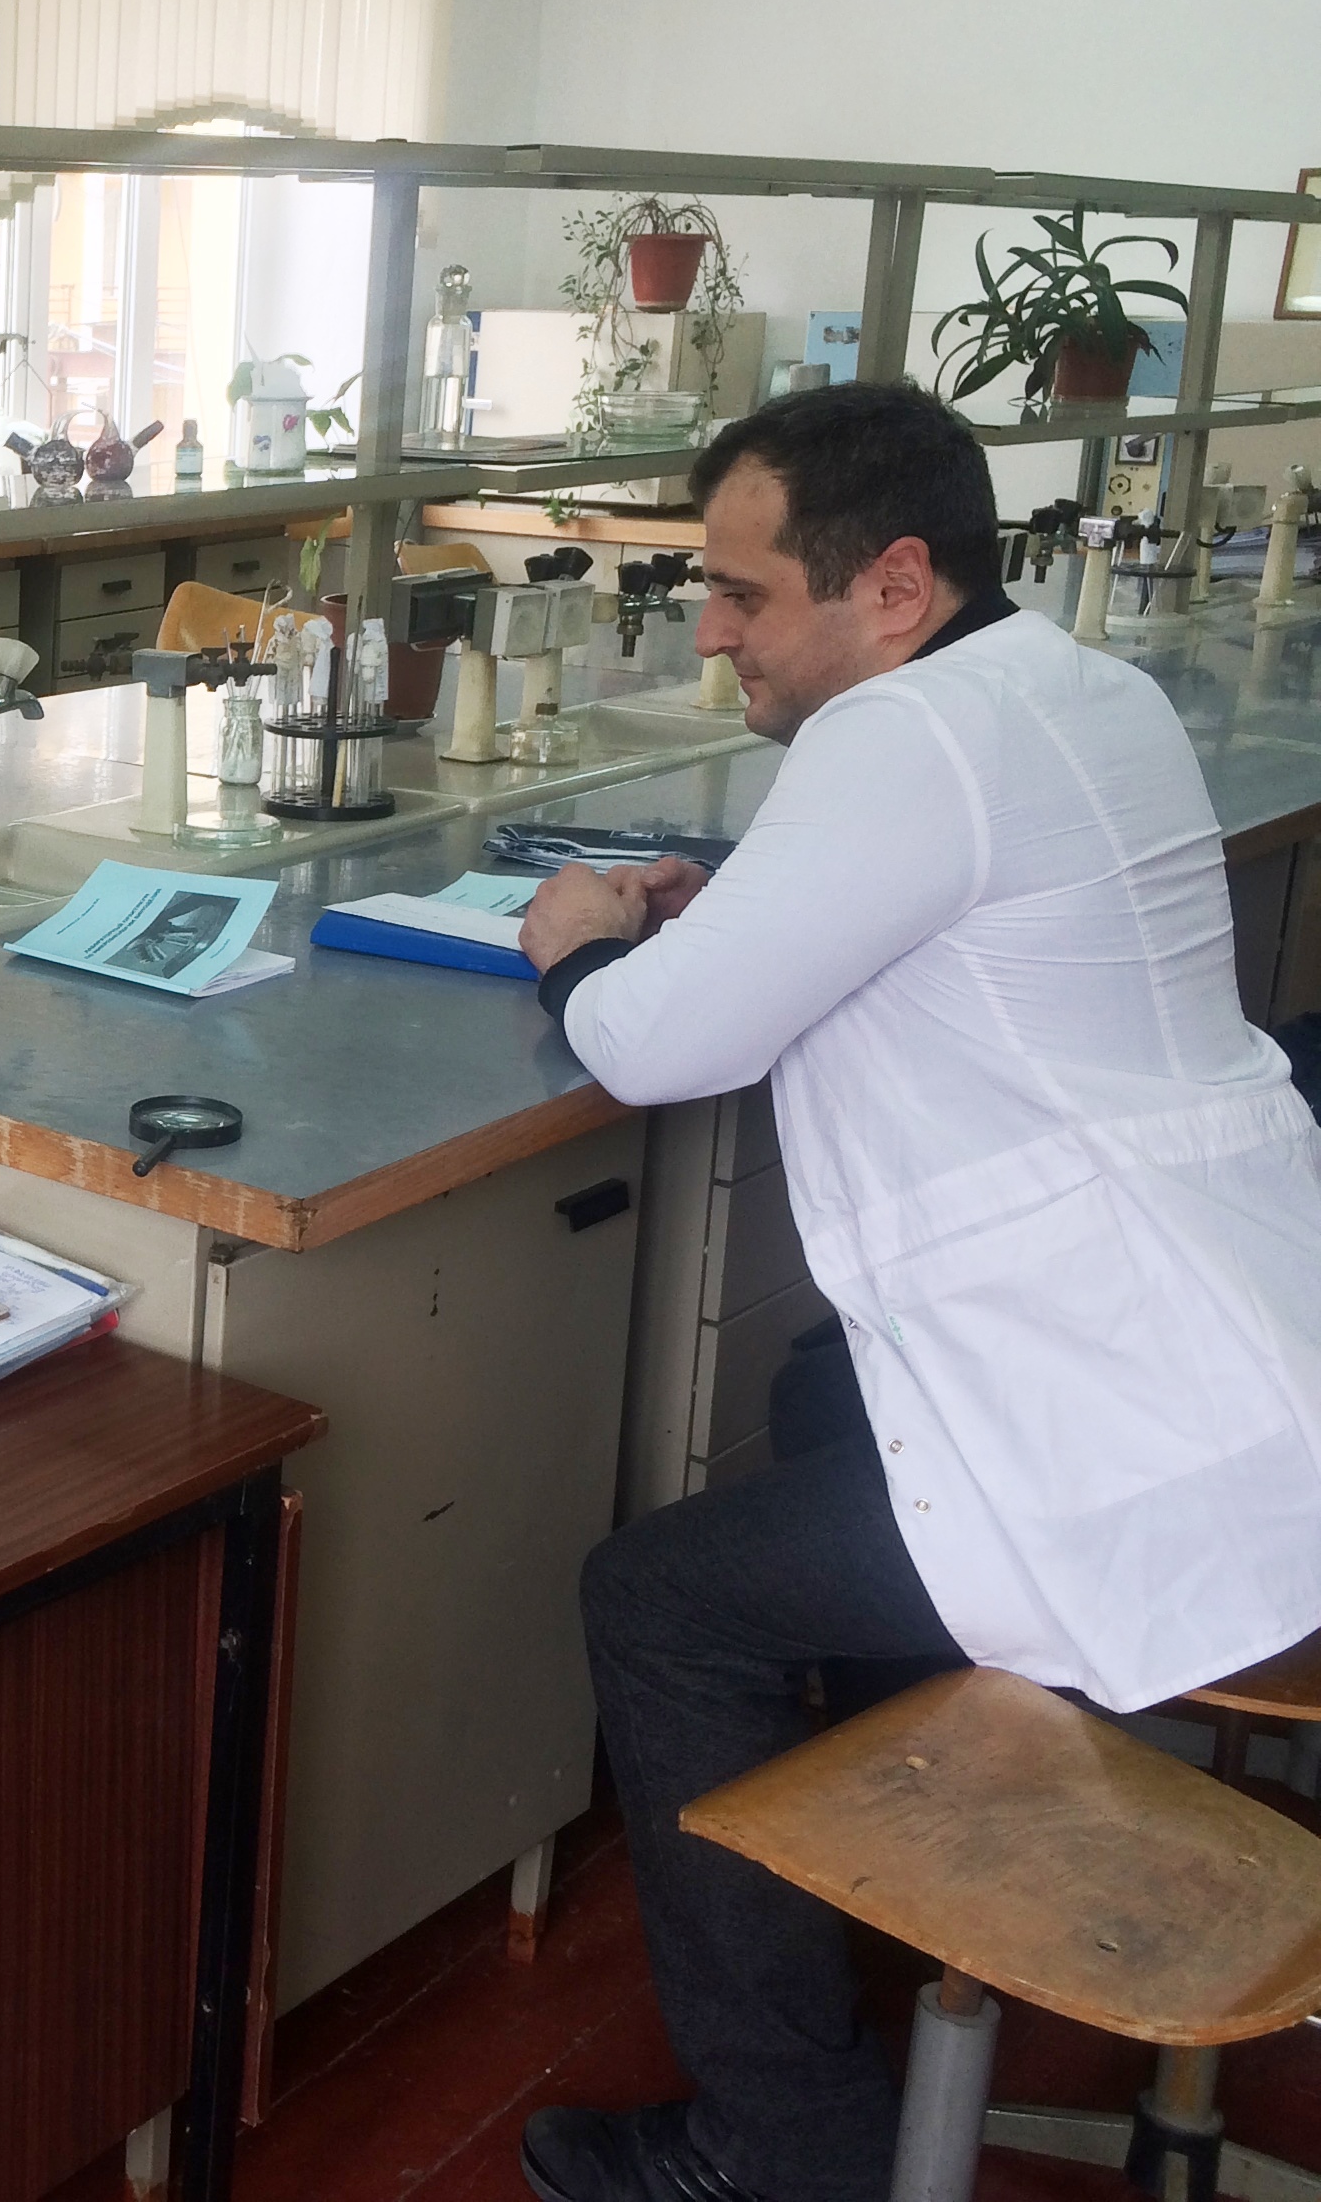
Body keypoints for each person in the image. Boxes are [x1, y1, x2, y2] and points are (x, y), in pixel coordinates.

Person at [509, 380, 1321, 2202]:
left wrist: (575, 950)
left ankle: (778, 2146)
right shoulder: (1071, 687)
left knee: (657, 1598)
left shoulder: (894, 739)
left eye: (741, 594)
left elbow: (655, 1046)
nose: (709, 632)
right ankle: (912, 1853)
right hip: (1262, 1350)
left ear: (890, 585)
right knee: (817, 1397)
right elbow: (961, 895)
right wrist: (742, 900)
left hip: (1148, 1441)